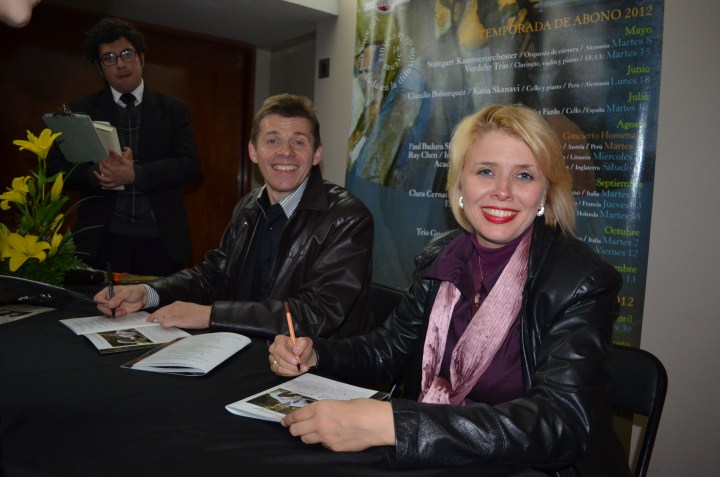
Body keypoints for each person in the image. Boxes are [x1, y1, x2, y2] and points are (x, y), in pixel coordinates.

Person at [269, 104, 631, 476]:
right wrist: (316, 354)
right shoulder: (441, 257)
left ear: (544, 194)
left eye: (524, 175)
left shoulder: (583, 282)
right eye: (486, 171)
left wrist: (395, 425)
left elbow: (558, 426)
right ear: (459, 185)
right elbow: (386, 350)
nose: (502, 191)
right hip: (435, 456)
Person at [94, 94, 375, 340]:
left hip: (314, 367)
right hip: (244, 349)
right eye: (272, 140)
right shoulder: (249, 205)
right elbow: (214, 275)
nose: (285, 152)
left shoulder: (347, 217)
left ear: (316, 154)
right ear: (253, 151)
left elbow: (317, 312)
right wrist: (147, 293)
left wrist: (212, 315)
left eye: (298, 142)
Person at [48, 17, 201, 276]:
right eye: (109, 58)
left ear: (141, 58)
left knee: (157, 304)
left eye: (127, 54)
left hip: (160, 239)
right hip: (102, 240)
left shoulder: (173, 109)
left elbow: (191, 167)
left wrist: (136, 174)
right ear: (99, 68)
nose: (120, 64)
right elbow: (56, 171)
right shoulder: (80, 111)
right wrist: (99, 173)